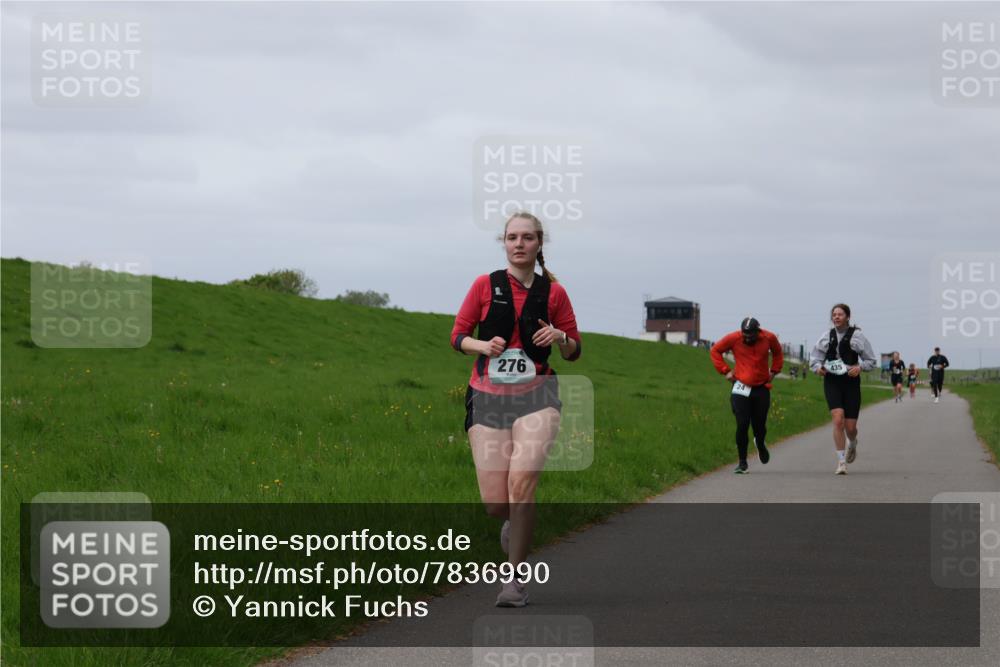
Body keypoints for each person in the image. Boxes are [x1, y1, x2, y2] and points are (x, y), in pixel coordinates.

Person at [450, 211, 581, 607]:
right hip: (487, 395)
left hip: (537, 394)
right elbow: (457, 337)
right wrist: (481, 346)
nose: (519, 244)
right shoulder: (483, 285)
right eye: (512, 237)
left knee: (521, 484)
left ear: (539, 244)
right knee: (495, 502)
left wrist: (560, 337)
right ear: (504, 243)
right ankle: (513, 525)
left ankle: (514, 581)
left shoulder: (553, 293)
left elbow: (574, 350)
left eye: (527, 237)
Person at [809, 304, 878, 475]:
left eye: (840, 314)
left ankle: (852, 442)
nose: (836, 317)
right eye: (834, 314)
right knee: (838, 419)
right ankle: (841, 462)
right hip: (832, 381)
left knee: (850, 427)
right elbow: (814, 359)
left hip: (851, 381)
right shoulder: (826, 337)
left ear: (848, 317)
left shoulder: (858, 336)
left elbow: (871, 360)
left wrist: (860, 367)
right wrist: (818, 368)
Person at [710, 317, 784, 474]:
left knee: (759, 426)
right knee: (742, 424)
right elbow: (715, 350)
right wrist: (725, 370)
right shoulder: (734, 338)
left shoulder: (769, 337)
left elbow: (778, 353)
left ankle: (760, 443)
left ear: (758, 331)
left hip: (761, 388)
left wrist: (774, 371)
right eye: (745, 335)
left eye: (751, 335)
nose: (747, 338)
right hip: (740, 386)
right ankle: (742, 462)